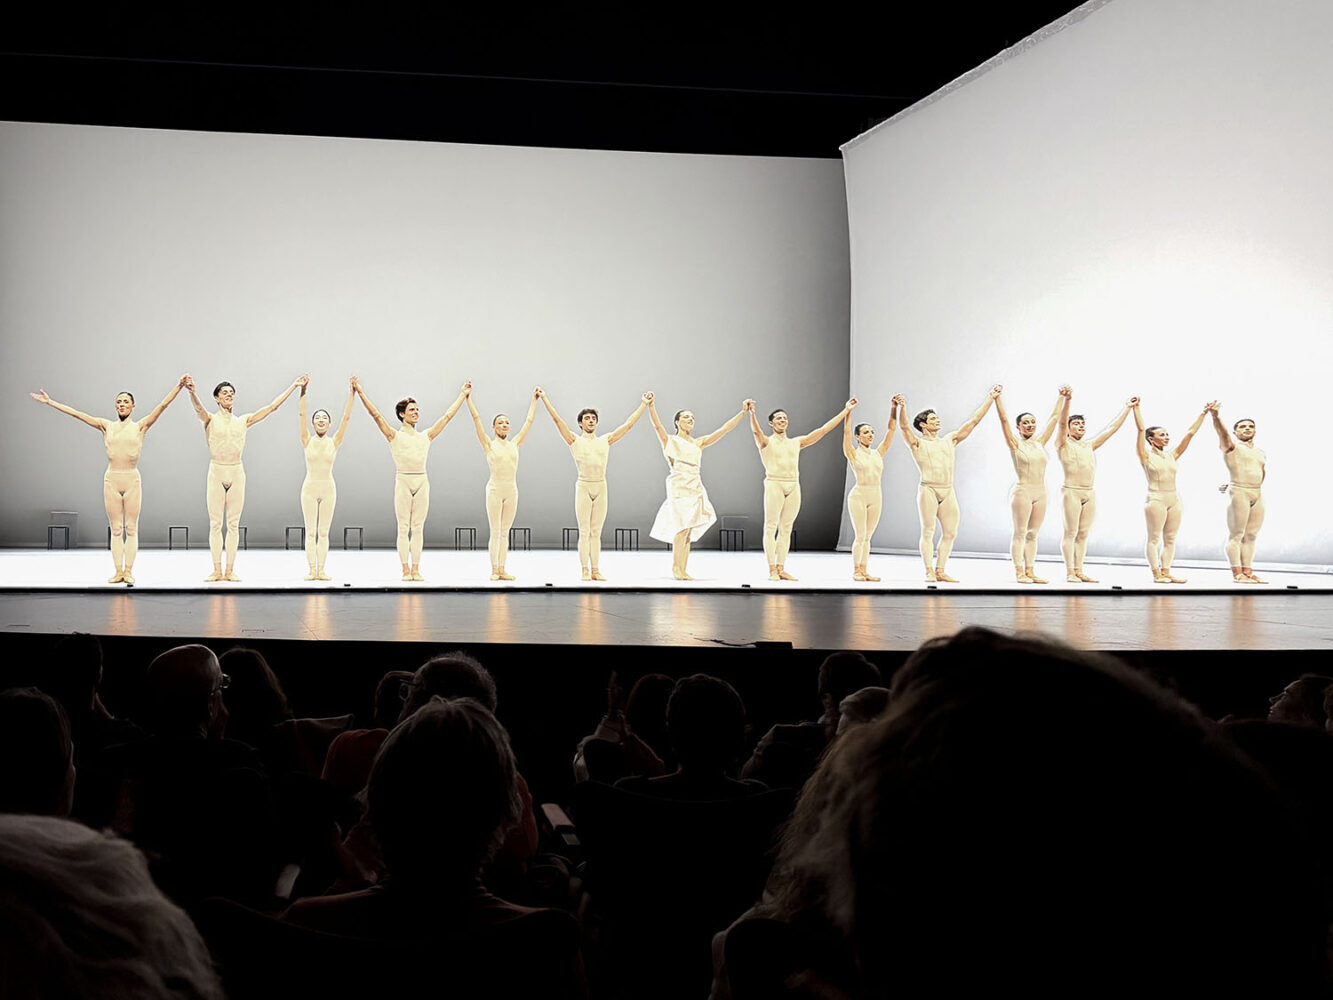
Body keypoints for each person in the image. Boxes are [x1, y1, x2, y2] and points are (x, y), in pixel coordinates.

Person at [30, 376, 187, 584]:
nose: (122, 404)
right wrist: (50, 402)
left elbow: (163, 405)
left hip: (131, 479)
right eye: (119, 401)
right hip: (112, 479)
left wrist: (179, 386)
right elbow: (78, 415)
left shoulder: (141, 426)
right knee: (116, 529)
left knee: (131, 528)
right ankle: (117, 571)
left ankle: (128, 570)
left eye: (125, 401)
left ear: (133, 406)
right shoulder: (106, 426)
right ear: (116, 406)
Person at [187, 374, 305, 582]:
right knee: (215, 524)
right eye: (224, 393)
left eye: (231, 393)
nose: (229, 395)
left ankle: (230, 570)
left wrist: (293, 387)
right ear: (216, 398)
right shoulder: (210, 420)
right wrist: (192, 392)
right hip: (217, 470)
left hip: (236, 472)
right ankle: (216, 570)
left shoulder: (242, 421)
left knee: (233, 524)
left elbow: (271, 408)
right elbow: (198, 409)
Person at [354, 378, 469, 581]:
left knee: (417, 528)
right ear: (402, 414)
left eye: (417, 410)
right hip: (403, 482)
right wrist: (361, 393)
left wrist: (462, 394)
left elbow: (447, 417)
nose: (416, 413)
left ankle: (416, 569)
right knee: (403, 527)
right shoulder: (394, 436)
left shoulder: (426, 436)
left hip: (421, 481)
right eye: (412, 410)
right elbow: (376, 416)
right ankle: (405, 570)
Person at [538, 388, 651, 581]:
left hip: (601, 487)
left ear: (596, 422)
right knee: (584, 531)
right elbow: (558, 421)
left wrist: (643, 404)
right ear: (581, 423)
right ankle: (584, 569)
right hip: (584, 486)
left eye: (593, 418)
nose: (591, 420)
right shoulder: (574, 440)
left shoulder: (605, 440)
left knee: (596, 532)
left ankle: (596, 569)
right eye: (587, 418)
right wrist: (545, 398)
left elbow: (629, 425)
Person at [895, 386, 1001, 582]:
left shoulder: (949, 439)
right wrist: (902, 407)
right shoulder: (918, 443)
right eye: (933, 419)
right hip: (928, 488)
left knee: (951, 531)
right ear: (924, 425)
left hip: (947, 490)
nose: (938, 420)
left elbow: (973, 422)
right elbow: (903, 428)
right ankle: (928, 570)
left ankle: (940, 570)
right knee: (928, 531)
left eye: (937, 418)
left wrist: (991, 398)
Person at [748, 399, 857, 581]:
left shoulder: (796, 442)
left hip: (793, 485)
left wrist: (846, 411)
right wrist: (752, 413)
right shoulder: (766, 442)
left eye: (784, 418)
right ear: (771, 423)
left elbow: (822, 431)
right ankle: (772, 569)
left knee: (786, 528)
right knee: (770, 526)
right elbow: (756, 431)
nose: (782, 420)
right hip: (775, 483)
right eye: (778, 418)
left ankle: (781, 567)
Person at [647, 397, 752, 581]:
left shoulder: (698, 443)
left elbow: (723, 430)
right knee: (680, 528)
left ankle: (683, 568)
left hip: (695, 486)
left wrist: (742, 413)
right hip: (679, 486)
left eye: (692, 418)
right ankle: (676, 568)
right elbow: (657, 427)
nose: (690, 420)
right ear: (677, 422)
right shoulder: (670, 441)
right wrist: (651, 406)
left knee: (688, 530)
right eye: (686, 417)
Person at [1053, 388, 1136, 582]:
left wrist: (1127, 408)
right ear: (1069, 428)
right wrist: (1068, 400)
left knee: (1083, 534)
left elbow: (1111, 429)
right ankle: (1069, 572)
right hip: (1071, 491)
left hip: (1089, 493)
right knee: (1071, 532)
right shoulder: (1063, 444)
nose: (1080, 426)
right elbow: (1061, 422)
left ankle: (1079, 569)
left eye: (1082, 423)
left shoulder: (1089, 445)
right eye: (1076, 423)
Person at [1133, 399, 1213, 583]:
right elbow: (1140, 431)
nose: (1167, 437)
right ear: (1151, 439)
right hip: (1156, 499)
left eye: (1167, 434)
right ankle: (1156, 573)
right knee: (1154, 538)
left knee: (1170, 538)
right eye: (1162, 434)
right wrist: (1136, 409)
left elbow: (1190, 434)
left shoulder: (1172, 455)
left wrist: (1204, 413)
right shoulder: (1145, 456)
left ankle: (1167, 571)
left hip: (1174, 498)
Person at [467, 386, 540, 581]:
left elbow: (529, 421)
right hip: (495, 490)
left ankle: (502, 568)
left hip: (511, 491)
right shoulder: (488, 445)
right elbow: (477, 421)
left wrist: (534, 400)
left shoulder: (515, 444)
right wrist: (468, 399)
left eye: (507, 422)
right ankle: (494, 569)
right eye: (500, 422)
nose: (504, 425)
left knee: (505, 532)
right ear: (494, 427)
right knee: (496, 531)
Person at [992, 388, 1064, 583]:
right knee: (1020, 532)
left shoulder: (1040, 442)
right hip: (1022, 491)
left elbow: (1055, 417)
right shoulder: (1015, 444)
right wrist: (997, 399)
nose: (1030, 425)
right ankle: (1019, 572)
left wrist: (1062, 397)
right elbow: (1004, 420)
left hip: (1040, 492)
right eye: (1025, 423)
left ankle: (1030, 570)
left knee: (1033, 534)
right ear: (1019, 427)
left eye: (1032, 422)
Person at [297, 378, 355, 580]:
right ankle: (311, 570)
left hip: (328, 489)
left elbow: (346, 418)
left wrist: (352, 394)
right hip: (309, 489)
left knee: (323, 533)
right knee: (310, 532)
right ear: (313, 423)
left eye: (324, 418)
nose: (321, 420)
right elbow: (302, 414)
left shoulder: (335, 441)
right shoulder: (306, 439)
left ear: (329, 424)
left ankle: (321, 570)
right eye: (317, 418)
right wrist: (303, 391)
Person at [1210, 407, 1267, 583]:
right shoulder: (1232, 446)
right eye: (1242, 427)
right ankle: (1237, 573)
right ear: (1235, 432)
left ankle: (1248, 571)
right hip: (1239, 492)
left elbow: (1261, 472)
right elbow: (1223, 434)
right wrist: (1216, 416)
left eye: (1250, 426)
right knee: (1236, 535)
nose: (1247, 428)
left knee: (1251, 536)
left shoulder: (1260, 452)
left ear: (1255, 431)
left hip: (1256, 493)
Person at [841, 404, 897, 581]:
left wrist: (894, 408)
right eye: (865, 432)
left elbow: (891, 429)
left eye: (872, 432)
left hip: (875, 496)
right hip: (859, 495)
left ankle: (864, 569)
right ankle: (856, 570)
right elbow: (847, 432)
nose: (870, 435)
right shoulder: (853, 453)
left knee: (868, 537)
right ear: (858, 437)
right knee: (860, 535)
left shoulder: (878, 453)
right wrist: (848, 412)